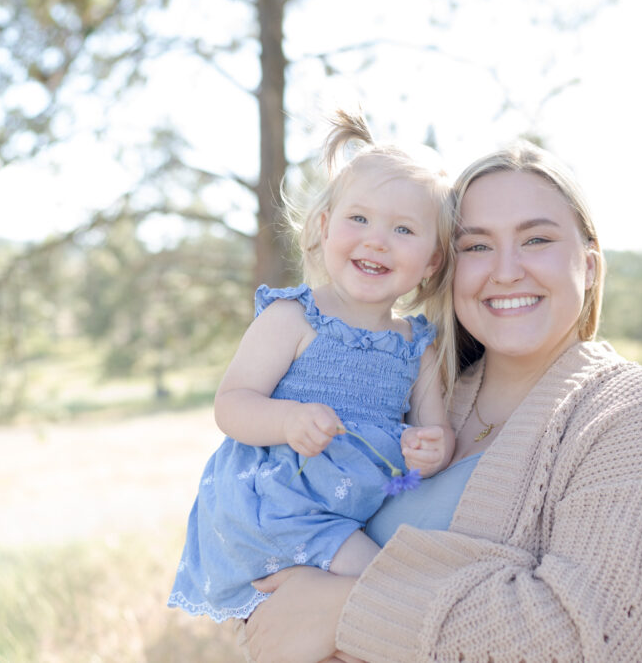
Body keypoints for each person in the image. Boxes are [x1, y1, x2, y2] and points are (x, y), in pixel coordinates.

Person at [239, 140, 642, 662]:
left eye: (536, 239)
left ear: (591, 265)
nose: (505, 270)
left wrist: (344, 609)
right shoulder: (405, 402)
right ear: (444, 266)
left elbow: (600, 641)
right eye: (477, 246)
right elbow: (276, 569)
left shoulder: (636, 411)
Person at [167, 110, 457, 624]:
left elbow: (435, 429)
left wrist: (432, 449)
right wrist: (287, 420)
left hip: (356, 504)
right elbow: (231, 404)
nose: (376, 240)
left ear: (432, 260)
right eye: (359, 219)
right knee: (388, 584)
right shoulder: (294, 316)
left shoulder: (417, 346)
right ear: (324, 228)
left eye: (404, 229)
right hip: (278, 503)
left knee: (346, 615)